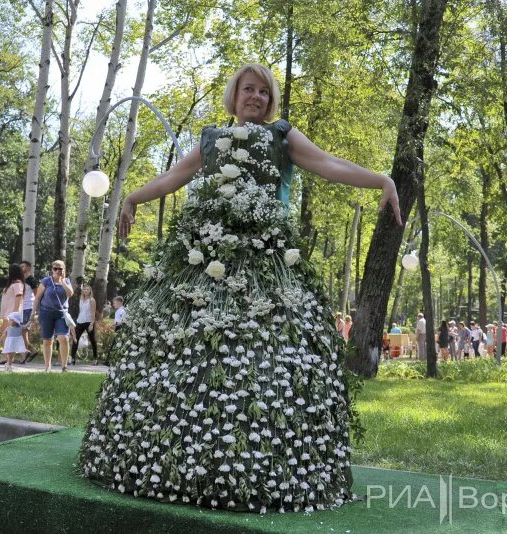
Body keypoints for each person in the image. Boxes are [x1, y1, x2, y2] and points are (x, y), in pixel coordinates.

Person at [79, 63, 402, 513]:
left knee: (265, 355)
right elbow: (175, 176)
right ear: (234, 96)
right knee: (194, 349)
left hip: (265, 264)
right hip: (203, 263)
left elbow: (328, 164)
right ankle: (176, 456)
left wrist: (382, 180)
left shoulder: (283, 137)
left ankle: (265, 460)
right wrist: (133, 197)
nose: (257, 98)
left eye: (265, 93)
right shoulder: (211, 138)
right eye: (249, 90)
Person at [33, 260, 73, 372]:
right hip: (46, 313)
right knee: (47, 340)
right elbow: (37, 298)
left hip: (61, 314)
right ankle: (47, 366)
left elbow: (70, 294)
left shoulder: (67, 281)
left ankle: (64, 366)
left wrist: (63, 281)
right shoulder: (46, 281)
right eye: (55, 268)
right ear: (52, 269)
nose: (57, 271)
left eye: (60, 269)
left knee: (63, 338)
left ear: (64, 270)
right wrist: (33, 312)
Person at [0, 264, 24, 365]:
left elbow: (19, 297)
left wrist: (14, 314)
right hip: (7, 313)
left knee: (8, 335)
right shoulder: (12, 284)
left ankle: (7, 358)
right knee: (5, 333)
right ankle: (7, 357)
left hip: (11, 314)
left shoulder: (17, 284)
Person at [71, 283, 98, 363]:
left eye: (88, 289)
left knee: (92, 340)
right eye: (85, 289)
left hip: (89, 321)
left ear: (90, 291)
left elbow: (93, 313)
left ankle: (95, 359)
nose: (86, 291)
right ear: (82, 291)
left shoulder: (92, 300)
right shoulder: (81, 299)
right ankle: (72, 358)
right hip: (80, 321)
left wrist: (91, 324)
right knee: (75, 339)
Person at [20, 260, 39, 362]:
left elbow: (37, 295)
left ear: (28, 268)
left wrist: (35, 310)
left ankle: (26, 353)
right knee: (22, 332)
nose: (21, 268)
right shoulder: (21, 280)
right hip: (22, 308)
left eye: (22, 266)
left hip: (29, 307)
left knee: (24, 331)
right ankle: (30, 350)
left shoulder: (32, 280)